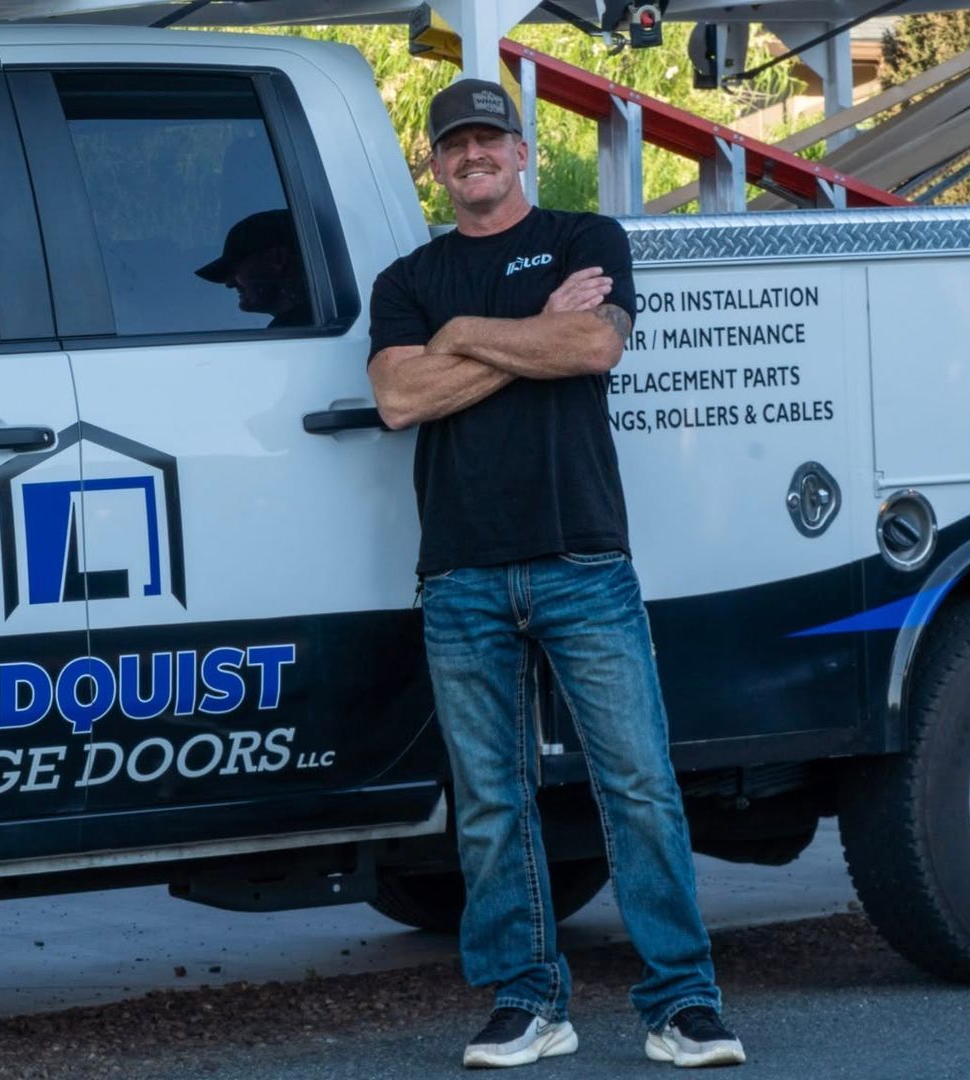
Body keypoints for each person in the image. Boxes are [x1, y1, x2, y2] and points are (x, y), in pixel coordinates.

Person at [366, 78, 746, 1070]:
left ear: (523, 150)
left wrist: (466, 340)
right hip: (460, 575)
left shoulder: (588, 241)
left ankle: (683, 1006)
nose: (474, 154)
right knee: (492, 801)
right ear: (436, 162)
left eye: (491, 138)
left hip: (583, 559)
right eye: (457, 144)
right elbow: (401, 401)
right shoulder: (408, 278)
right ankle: (528, 1004)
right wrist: (524, 335)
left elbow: (593, 343)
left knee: (641, 787)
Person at [195, 208, 312, 328]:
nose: (229, 284)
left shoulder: (288, 337)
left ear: (277, 259)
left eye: (235, 270)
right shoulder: (314, 325)